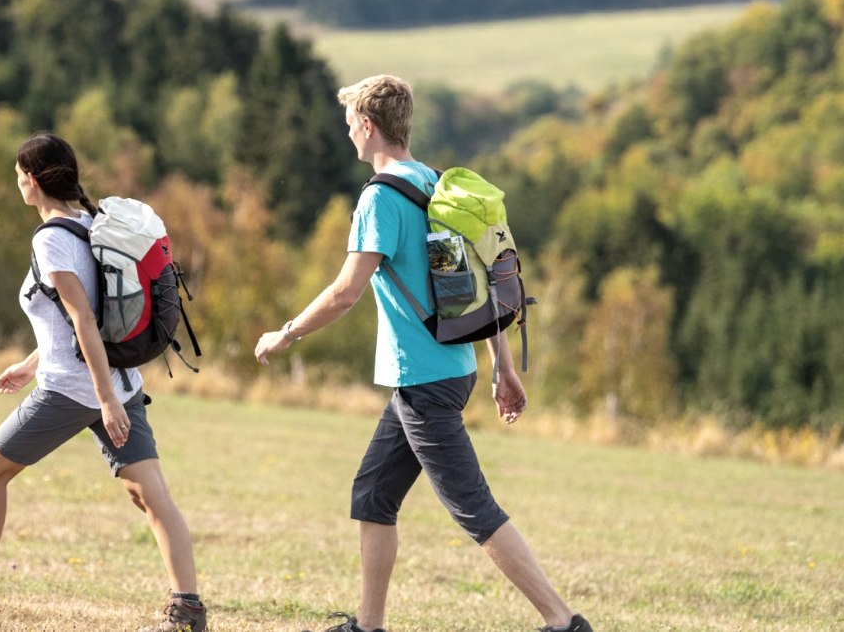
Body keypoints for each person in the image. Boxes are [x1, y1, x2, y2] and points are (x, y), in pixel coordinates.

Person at [252, 75, 592, 632]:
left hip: (424, 380)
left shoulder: (381, 197)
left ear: (367, 127)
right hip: (448, 371)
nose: (349, 138)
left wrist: (284, 334)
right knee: (372, 494)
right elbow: (475, 287)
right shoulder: (436, 184)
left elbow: (345, 293)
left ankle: (562, 621)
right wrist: (501, 367)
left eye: (350, 127)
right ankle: (368, 625)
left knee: (474, 508)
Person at [0, 133, 207, 632]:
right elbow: (80, 321)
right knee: (151, 496)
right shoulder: (89, 226)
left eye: (20, 174)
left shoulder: (50, 239)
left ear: (34, 180)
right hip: (117, 383)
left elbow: (84, 319)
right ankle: (188, 609)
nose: (17, 182)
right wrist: (31, 363)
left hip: (77, 390)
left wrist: (104, 401)